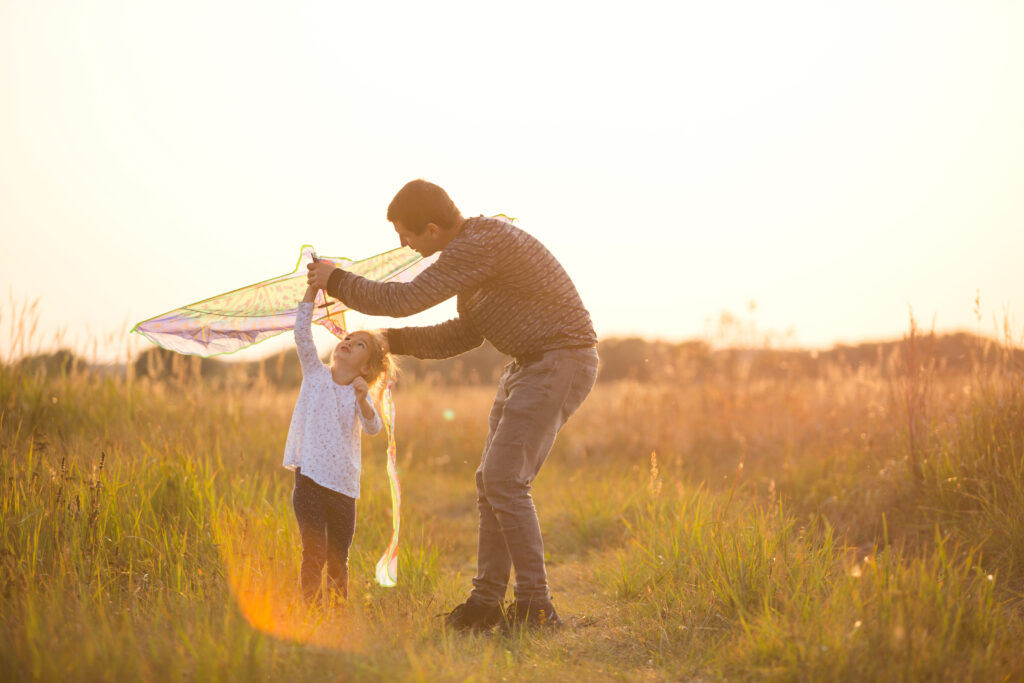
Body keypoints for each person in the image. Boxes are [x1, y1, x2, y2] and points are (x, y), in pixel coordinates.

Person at [306, 179, 599, 631]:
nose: (401, 244)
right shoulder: (471, 252)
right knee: (491, 482)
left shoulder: (479, 243)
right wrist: (392, 341)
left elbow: (403, 299)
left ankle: (536, 608)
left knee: (504, 480)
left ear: (430, 227)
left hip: (559, 360)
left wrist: (337, 281)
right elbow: (465, 333)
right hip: (529, 365)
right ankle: (485, 603)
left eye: (405, 233)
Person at [281, 283, 390, 603]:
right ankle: (313, 613)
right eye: (346, 339)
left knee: (338, 557)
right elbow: (302, 333)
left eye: (357, 345)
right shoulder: (315, 374)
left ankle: (338, 613)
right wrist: (312, 290)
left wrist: (363, 399)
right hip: (310, 478)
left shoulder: (359, 393)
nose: (346, 343)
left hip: (344, 487)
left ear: (366, 367)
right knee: (313, 551)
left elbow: (373, 428)